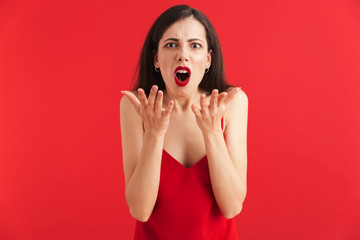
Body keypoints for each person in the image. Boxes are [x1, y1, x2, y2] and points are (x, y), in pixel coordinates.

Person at [120, 4, 248, 240]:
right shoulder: (136, 107)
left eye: (195, 45)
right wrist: (154, 134)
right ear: (156, 59)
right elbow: (140, 210)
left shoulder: (231, 103)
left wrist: (212, 133)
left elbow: (231, 207)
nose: (183, 54)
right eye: (171, 44)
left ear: (208, 59)